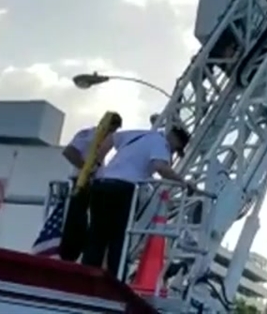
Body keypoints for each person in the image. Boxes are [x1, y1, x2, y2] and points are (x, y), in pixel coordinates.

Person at [81, 125, 195, 279]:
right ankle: (114, 280)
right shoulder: (161, 144)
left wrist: (99, 164)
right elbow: (160, 167)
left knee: (96, 235)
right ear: (174, 140)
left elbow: (110, 139)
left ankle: (85, 275)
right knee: (119, 237)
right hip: (124, 189)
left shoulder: (138, 134)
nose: (172, 153)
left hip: (102, 184)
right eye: (175, 150)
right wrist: (183, 182)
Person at [57, 113, 122, 262]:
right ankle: (71, 251)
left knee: (92, 221)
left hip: (95, 183)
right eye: (113, 128)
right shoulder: (89, 135)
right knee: (78, 218)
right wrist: (85, 168)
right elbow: (69, 151)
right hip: (83, 181)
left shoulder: (101, 139)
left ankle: (82, 251)